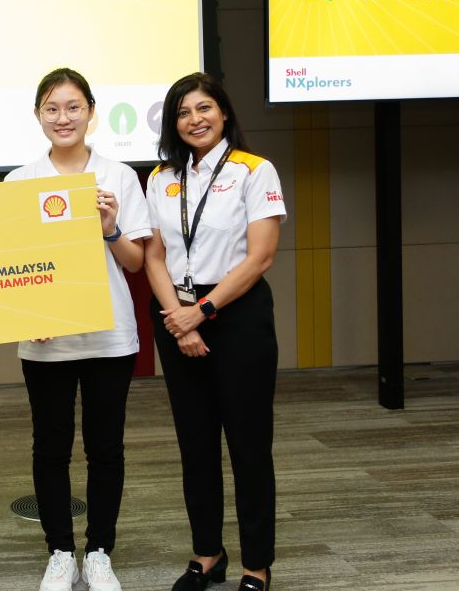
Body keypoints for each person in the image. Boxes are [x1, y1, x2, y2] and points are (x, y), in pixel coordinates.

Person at [4, 69, 152, 591]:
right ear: (38, 115)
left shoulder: (119, 177)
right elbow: (10, 267)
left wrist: (110, 227)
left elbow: (135, 263)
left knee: (106, 447)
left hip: (109, 337)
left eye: (72, 107)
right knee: (50, 447)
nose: (62, 118)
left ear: (91, 111)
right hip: (45, 341)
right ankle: (61, 550)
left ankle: (100, 551)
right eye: (51, 108)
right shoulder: (19, 182)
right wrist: (28, 312)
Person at [142, 73, 286, 591]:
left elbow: (261, 256)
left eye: (204, 108)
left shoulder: (254, 170)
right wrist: (178, 318)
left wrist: (199, 311)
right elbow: (153, 256)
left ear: (224, 113)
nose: (194, 120)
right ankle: (207, 553)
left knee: (249, 446)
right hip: (176, 315)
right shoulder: (160, 177)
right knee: (195, 444)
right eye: (183, 112)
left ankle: (256, 564)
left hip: (237, 314)